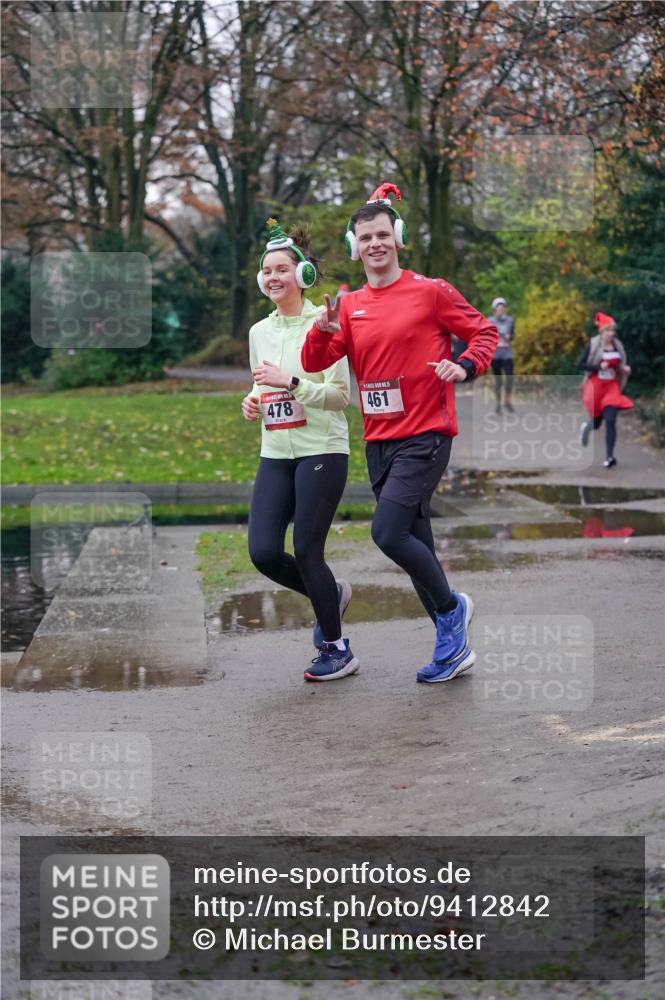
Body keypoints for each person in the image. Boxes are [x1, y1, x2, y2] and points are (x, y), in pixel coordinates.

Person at [301, 183, 498, 684]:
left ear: (398, 237)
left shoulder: (431, 290)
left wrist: (465, 365)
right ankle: (452, 647)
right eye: (365, 237)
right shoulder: (346, 306)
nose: (375, 244)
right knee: (417, 544)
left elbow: (484, 332)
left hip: (427, 433)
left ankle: (453, 610)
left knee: (387, 533)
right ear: (354, 245)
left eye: (383, 235)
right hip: (379, 441)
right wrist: (319, 334)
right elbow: (316, 362)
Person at [242, 218, 357, 682]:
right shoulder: (258, 333)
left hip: (322, 450)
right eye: (267, 270)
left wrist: (291, 382)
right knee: (264, 551)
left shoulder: (327, 323)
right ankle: (331, 594)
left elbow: (340, 397)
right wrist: (252, 401)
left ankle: (337, 648)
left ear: (303, 275)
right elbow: (261, 386)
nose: (273, 277)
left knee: (308, 549)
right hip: (276, 451)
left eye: (282, 269)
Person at [577, 312, 633, 469]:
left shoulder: (618, 345)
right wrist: (597, 367)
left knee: (611, 420)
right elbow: (579, 364)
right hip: (595, 386)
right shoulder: (593, 344)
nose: (612, 334)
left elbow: (621, 364)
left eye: (613, 331)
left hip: (611, 387)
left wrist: (625, 369)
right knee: (597, 422)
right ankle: (587, 428)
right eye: (608, 330)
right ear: (602, 331)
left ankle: (609, 456)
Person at [488, 296, 516, 413]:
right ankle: (498, 403)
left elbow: (513, 335)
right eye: (498, 309)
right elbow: (486, 336)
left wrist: (511, 337)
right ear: (494, 310)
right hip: (495, 355)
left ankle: (507, 400)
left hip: (507, 353)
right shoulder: (489, 321)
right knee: (498, 380)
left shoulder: (510, 320)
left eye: (502, 309)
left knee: (509, 377)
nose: (501, 311)